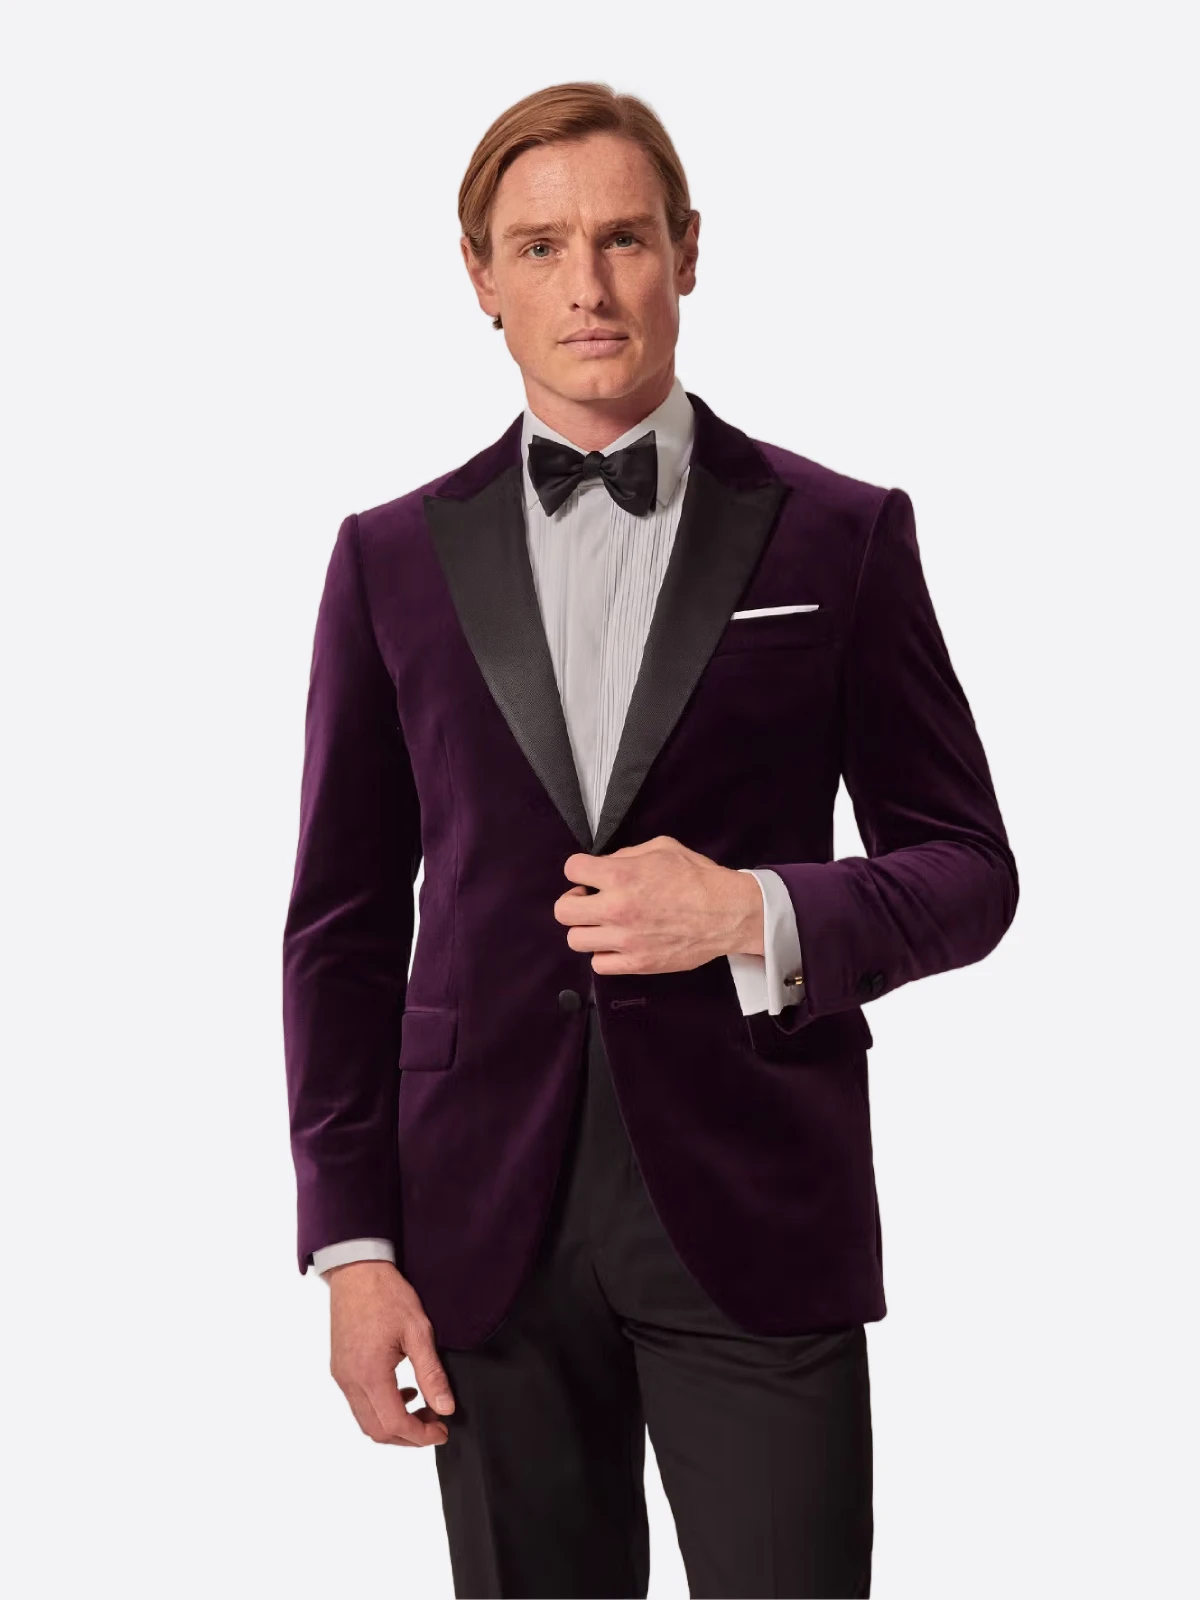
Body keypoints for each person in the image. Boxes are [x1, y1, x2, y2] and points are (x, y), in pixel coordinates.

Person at [281, 80, 1018, 1599]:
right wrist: (352, 1249)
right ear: (480, 278)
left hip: (756, 1205)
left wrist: (754, 912)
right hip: (480, 1225)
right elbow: (340, 930)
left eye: (623, 238)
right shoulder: (388, 561)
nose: (589, 287)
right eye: (540, 246)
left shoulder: (839, 534)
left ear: (688, 250)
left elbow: (967, 869)